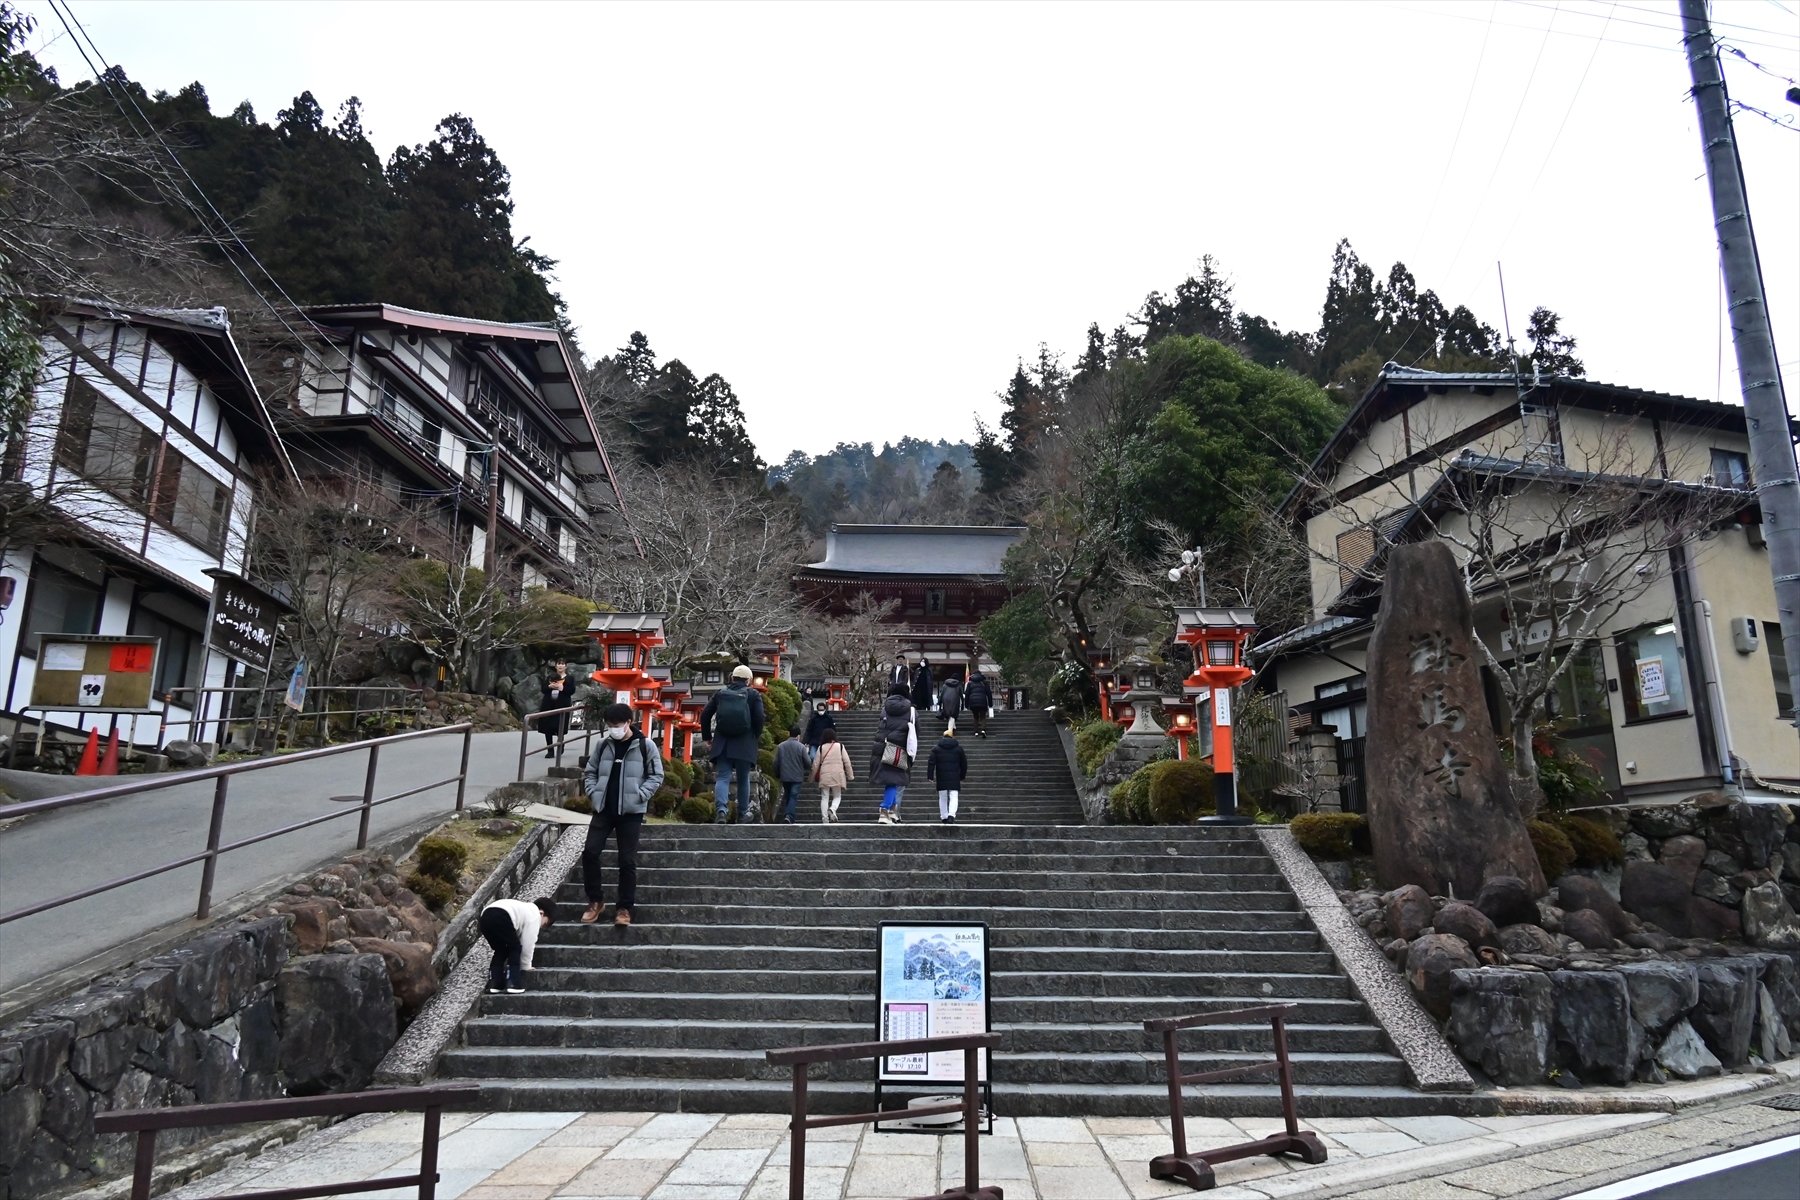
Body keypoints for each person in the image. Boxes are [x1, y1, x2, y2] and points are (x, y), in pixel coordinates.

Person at [580, 702, 664, 927]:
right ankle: (595, 901)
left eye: (616, 725)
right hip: (603, 810)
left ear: (629, 722)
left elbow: (656, 775)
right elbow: (590, 772)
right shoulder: (602, 745)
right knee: (590, 852)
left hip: (631, 812)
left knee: (627, 860)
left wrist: (640, 795)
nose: (613, 729)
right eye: (609, 725)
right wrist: (593, 792)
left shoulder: (646, 746)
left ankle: (625, 907)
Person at [700, 665, 765, 822]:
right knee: (743, 778)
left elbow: (705, 715)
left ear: (732, 678)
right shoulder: (753, 694)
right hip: (745, 742)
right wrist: (755, 735)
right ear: (748, 680)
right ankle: (742, 813)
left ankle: (721, 810)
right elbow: (759, 718)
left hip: (723, 742)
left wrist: (707, 737)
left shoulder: (721, 694)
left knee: (723, 777)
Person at [479, 896, 554, 994]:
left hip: (485, 917)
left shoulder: (523, 909)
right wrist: (526, 965)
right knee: (515, 948)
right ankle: (513, 983)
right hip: (502, 915)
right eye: (544, 923)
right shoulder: (535, 915)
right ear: (542, 913)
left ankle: (494, 983)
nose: (541, 926)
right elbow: (528, 943)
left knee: (501, 950)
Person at [872, 681, 918, 825]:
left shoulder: (885, 709)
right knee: (894, 780)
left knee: (891, 781)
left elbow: (881, 728)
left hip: (884, 747)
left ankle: (892, 809)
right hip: (900, 750)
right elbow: (917, 731)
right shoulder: (911, 710)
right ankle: (885, 810)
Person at [927, 727, 969, 824]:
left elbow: (931, 763)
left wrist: (930, 776)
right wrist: (962, 776)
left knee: (943, 796)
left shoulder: (936, 749)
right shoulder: (959, 749)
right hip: (954, 776)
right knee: (954, 795)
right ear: (952, 737)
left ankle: (944, 816)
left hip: (941, 775)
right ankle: (951, 815)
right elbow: (964, 764)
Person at [812, 728, 853, 822]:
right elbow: (847, 762)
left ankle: (825, 819)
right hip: (837, 774)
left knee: (824, 796)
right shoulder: (840, 746)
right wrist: (850, 775)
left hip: (824, 775)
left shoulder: (821, 748)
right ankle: (833, 809)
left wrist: (811, 778)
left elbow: (815, 764)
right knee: (837, 796)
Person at [774, 724, 811, 824]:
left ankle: (789, 817)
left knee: (788, 795)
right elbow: (808, 762)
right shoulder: (801, 747)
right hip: (797, 777)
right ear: (798, 736)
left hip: (785, 776)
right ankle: (789, 816)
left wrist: (777, 773)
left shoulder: (781, 746)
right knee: (793, 796)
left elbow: (775, 762)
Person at [539, 661, 573, 758]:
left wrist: (563, 688)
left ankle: (560, 744)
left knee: (560, 727)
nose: (560, 666)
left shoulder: (569, 678)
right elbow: (543, 689)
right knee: (547, 728)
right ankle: (550, 750)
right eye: (559, 663)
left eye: (563, 664)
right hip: (548, 705)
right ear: (556, 666)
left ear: (566, 666)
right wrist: (549, 686)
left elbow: (572, 690)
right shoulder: (550, 677)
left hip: (562, 706)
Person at [963, 670, 994, 738]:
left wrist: (966, 704)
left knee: (975, 716)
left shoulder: (970, 683)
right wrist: (990, 704)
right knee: (983, 716)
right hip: (982, 700)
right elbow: (989, 693)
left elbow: (967, 694)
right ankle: (983, 730)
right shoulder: (984, 682)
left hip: (973, 701)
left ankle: (976, 731)